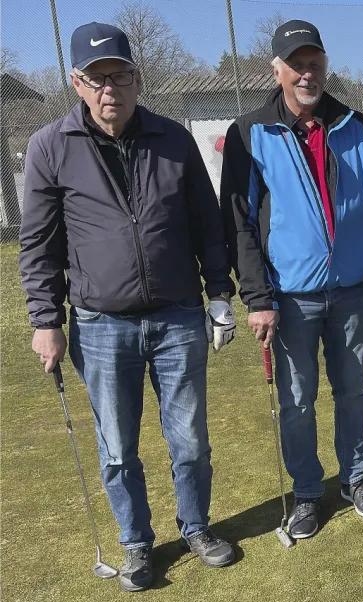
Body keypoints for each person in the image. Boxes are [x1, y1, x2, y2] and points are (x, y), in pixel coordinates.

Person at [19, 22, 237, 592]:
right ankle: (137, 543)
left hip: (177, 317)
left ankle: (196, 526)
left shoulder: (173, 139)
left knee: (188, 437)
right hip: (99, 324)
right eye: (96, 78)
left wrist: (219, 293)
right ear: (77, 82)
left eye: (118, 74)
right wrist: (45, 320)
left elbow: (207, 225)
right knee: (117, 446)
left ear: (136, 77)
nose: (108, 88)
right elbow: (39, 245)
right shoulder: (49, 147)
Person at [220, 20, 363, 538]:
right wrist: (256, 296)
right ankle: (306, 492)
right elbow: (239, 220)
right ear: (276, 70)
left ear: (325, 64)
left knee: (353, 392)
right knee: (297, 401)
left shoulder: (353, 124)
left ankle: (358, 477)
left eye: (314, 62)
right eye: (296, 64)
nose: (307, 73)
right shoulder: (249, 132)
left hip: (349, 290)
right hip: (288, 298)